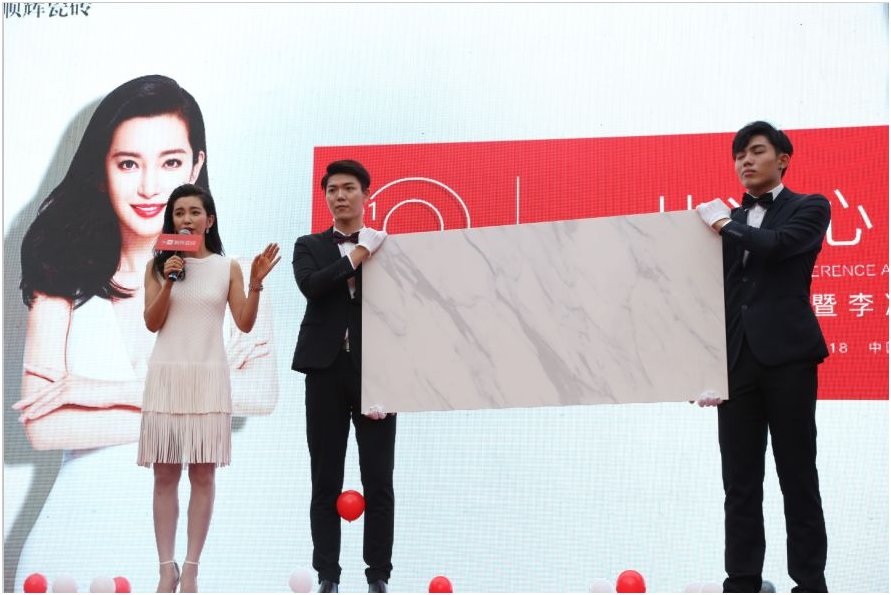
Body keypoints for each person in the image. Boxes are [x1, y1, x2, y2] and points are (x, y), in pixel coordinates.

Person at [13, 75, 278, 592]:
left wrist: (102, 395)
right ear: (102, 171)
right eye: (129, 163)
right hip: (79, 540)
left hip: (203, 546)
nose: (151, 186)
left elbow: (261, 395)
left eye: (171, 163)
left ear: (196, 167)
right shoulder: (61, 283)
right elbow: (42, 427)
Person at [695, 121, 830, 593]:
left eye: (755, 151)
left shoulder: (810, 207)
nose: (745, 162)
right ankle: (742, 581)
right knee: (739, 483)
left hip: (789, 360)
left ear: (783, 159)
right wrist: (702, 367)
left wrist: (723, 225)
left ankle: (810, 583)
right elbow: (706, 295)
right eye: (739, 156)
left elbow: (778, 247)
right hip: (736, 365)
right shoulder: (725, 220)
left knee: (798, 477)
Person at [139, 183, 280, 592]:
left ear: (209, 220)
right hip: (167, 377)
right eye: (179, 212)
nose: (186, 219)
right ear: (171, 220)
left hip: (209, 378)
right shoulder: (157, 266)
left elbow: (245, 322)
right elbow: (152, 322)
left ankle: (191, 568)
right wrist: (169, 280)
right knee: (165, 475)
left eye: (194, 212)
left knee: (203, 475)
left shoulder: (226, 267)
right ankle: (165, 569)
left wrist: (255, 284)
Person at [291, 160, 393, 593]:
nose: (340, 196)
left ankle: (378, 576)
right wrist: (358, 254)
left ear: (366, 194)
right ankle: (327, 576)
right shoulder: (309, 245)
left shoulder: (388, 247)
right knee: (325, 478)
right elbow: (313, 286)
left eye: (349, 188)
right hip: (324, 370)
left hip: (376, 371)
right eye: (332, 189)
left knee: (379, 479)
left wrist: (391, 377)